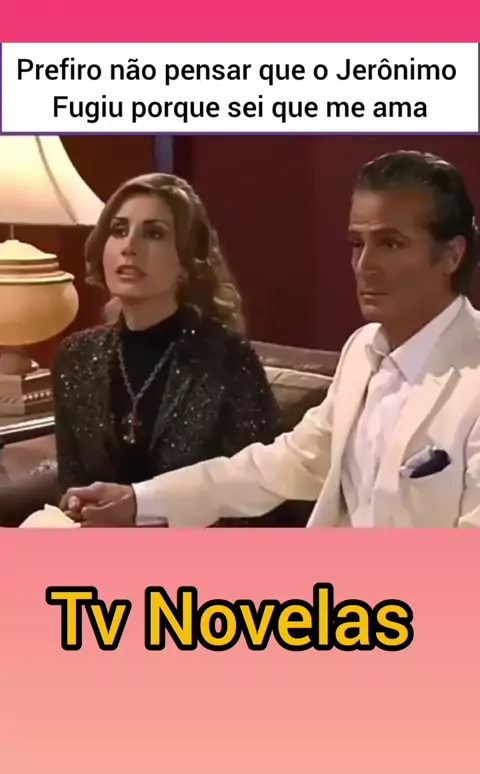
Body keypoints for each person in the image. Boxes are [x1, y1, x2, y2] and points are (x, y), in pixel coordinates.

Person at [36, 150, 480, 528]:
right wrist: (139, 500)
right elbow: (290, 462)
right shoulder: (363, 351)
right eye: (356, 244)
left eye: (391, 244)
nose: (365, 266)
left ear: (451, 254)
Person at [39, 171, 304, 527]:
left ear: (186, 262)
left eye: (154, 233)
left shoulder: (226, 359)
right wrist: (78, 509)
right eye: (119, 230)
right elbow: (72, 485)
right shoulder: (77, 356)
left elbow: (263, 506)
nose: (129, 246)